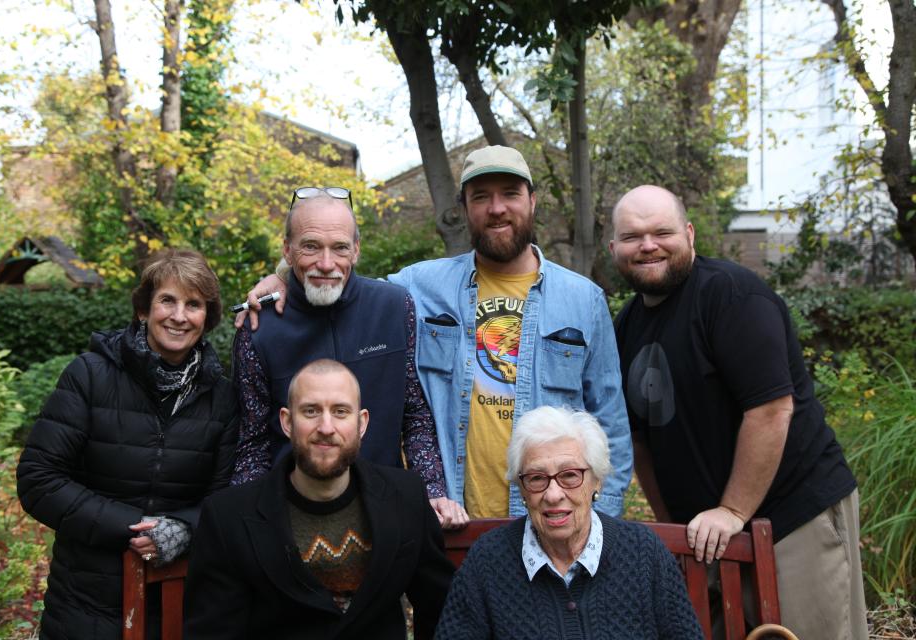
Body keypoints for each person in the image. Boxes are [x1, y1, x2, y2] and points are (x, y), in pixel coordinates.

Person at [241, 147, 632, 521]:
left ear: (532, 201)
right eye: (481, 197)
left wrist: (600, 520)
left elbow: (610, 423)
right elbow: (335, 278)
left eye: (510, 194)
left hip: (553, 515)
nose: (496, 208)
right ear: (464, 209)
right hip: (456, 517)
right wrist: (282, 274)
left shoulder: (584, 300)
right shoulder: (419, 286)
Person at [609, 185, 866, 639]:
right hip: (706, 534)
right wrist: (673, 523)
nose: (647, 245)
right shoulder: (627, 325)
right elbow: (641, 439)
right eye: (632, 237)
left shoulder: (730, 296)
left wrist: (731, 510)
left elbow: (770, 410)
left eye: (661, 232)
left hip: (790, 517)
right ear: (614, 248)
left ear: (689, 234)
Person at [16, 248, 238, 639]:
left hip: (176, 606)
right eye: (167, 300)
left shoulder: (222, 399)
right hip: (82, 604)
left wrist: (183, 529)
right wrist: (133, 528)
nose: (179, 316)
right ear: (143, 309)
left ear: (208, 318)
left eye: (194, 304)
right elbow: (39, 479)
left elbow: (224, 499)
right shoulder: (89, 376)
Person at [231, 187, 466, 528]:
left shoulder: (395, 308)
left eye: (339, 248)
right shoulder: (259, 327)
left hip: (386, 515)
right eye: (310, 246)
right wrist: (249, 522)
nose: (326, 264)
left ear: (356, 250)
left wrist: (431, 490)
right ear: (288, 250)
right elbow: (252, 443)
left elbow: (414, 413)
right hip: (291, 520)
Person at [183, 359, 455, 639]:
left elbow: (442, 613)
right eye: (311, 411)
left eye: (340, 412)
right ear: (287, 422)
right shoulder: (229, 517)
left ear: (361, 423)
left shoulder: (406, 497)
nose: (326, 427)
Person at [433, 406, 701, 639]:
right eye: (537, 478)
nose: (553, 495)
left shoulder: (644, 553)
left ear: (596, 480)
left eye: (570, 475)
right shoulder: (488, 561)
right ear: (522, 489)